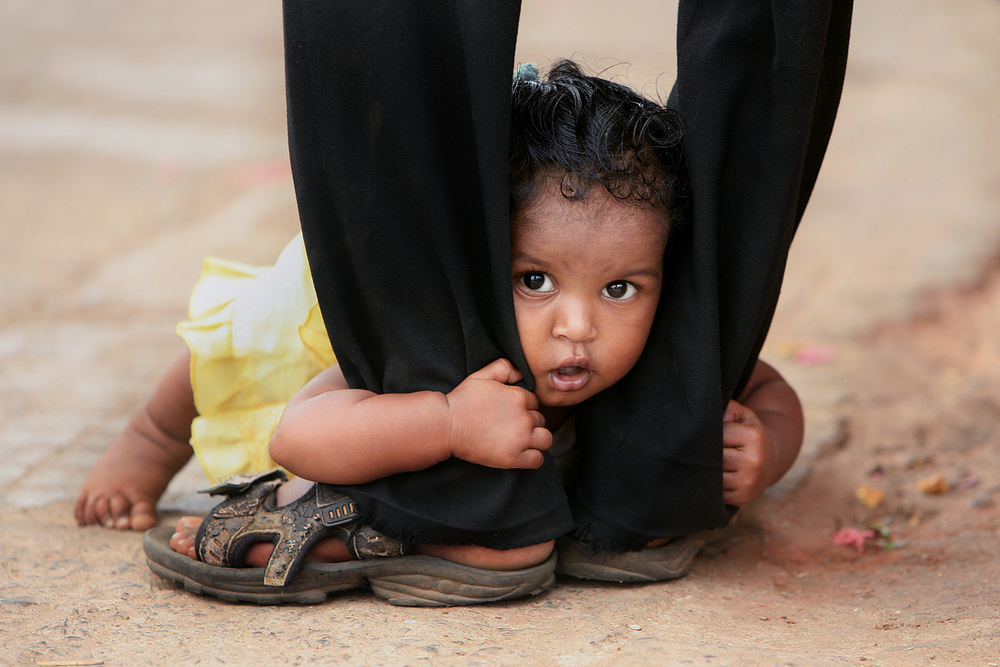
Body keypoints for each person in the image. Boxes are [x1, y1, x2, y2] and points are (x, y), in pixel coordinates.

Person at [80, 62, 803, 606]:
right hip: (301, 358)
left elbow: (767, 387)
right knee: (243, 341)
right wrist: (447, 420)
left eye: (619, 288)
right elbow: (298, 433)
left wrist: (768, 445)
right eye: (534, 281)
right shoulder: (430, 332)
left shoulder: (644, 349)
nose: (578, 327)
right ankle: (145, 439)